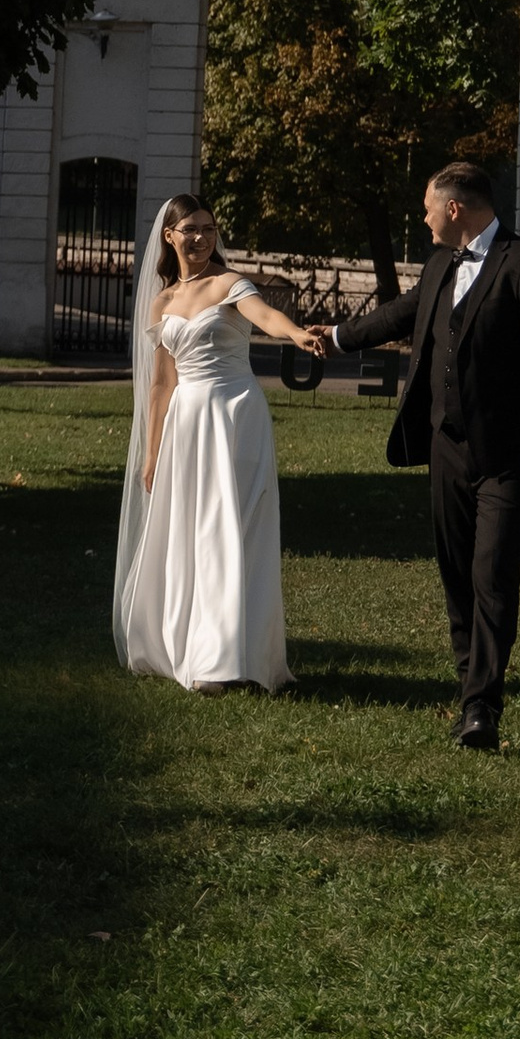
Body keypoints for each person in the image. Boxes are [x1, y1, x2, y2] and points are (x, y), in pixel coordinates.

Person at [331, 159, 520, 751]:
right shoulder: (443, 263)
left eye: (427, 207)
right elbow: (401, 314)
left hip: (510, 455)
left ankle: (481, 708)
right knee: (456, 572)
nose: (423, 218)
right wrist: (335, 338)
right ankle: (470, 680)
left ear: (456, 208)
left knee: (492, 573)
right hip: (447, 449)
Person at [112, 196, 327, 689]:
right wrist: (151, 451)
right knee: (195, 531)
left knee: (238, 526)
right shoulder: (162, 302)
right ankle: (204, 653)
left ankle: (241, 657)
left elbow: (265, 315)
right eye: (190, 229)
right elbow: (162, 383)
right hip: (187, 425)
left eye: (209, 228)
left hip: (235, 415)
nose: (202, 237)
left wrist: (295, 333)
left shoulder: (229, 284)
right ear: (170, 236)